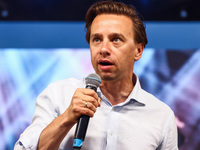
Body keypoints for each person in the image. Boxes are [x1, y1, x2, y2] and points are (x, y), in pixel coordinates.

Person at [14, 1, 178, 150]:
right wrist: (67, 118)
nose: (103, 49)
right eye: (97, 39)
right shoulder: (57, 94)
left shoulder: (161, 116)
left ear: (138, 50)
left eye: (115, 39)